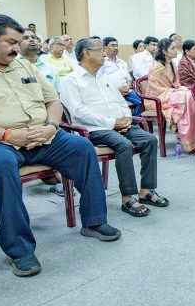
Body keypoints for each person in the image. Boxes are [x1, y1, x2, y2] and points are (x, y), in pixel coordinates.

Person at [0, 14, 120, 277]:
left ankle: (94, 221)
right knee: (2, 165)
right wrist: (6, 135)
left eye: (18, 42)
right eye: (10, 42)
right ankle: (19, 249)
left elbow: (53, 101)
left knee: (82, 147)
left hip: (39, 136)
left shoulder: (24, 66)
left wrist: (52, 126)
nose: (16, 47)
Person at [61, 38, 167, 218]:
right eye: (99, 50)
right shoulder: (71, 80)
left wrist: (125, 117)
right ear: (86, 53)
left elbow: (120, 101)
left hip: (118, 123)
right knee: (123, 145)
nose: (104, 54)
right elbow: (78, 112)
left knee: (150, 140)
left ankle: (147, 191)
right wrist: (111, 123)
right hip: (94, 129)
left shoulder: (104, 77)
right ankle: (128, 198)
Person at [147, 37, 195, 153]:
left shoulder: (172, 64)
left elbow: (176, 83)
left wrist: (180, 89)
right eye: (172, 48)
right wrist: (178, 91)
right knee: (188, 97)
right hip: (158, 97)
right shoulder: (157, 67)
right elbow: (155, 89)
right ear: (164, 51)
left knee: (192, 96)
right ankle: (191, 142)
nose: (175, 50)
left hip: (171, 93)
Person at [101, 36, 142, 115]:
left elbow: (129, 79)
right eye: (113, 45)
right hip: (110, 92)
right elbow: (101, 81)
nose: (116, 48)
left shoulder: (122, 62)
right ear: (105, 47)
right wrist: (116, 89)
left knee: (142, 101)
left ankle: (134, 123)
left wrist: (127, 87)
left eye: (117, 45)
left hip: (126, 91)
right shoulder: (102, 62)